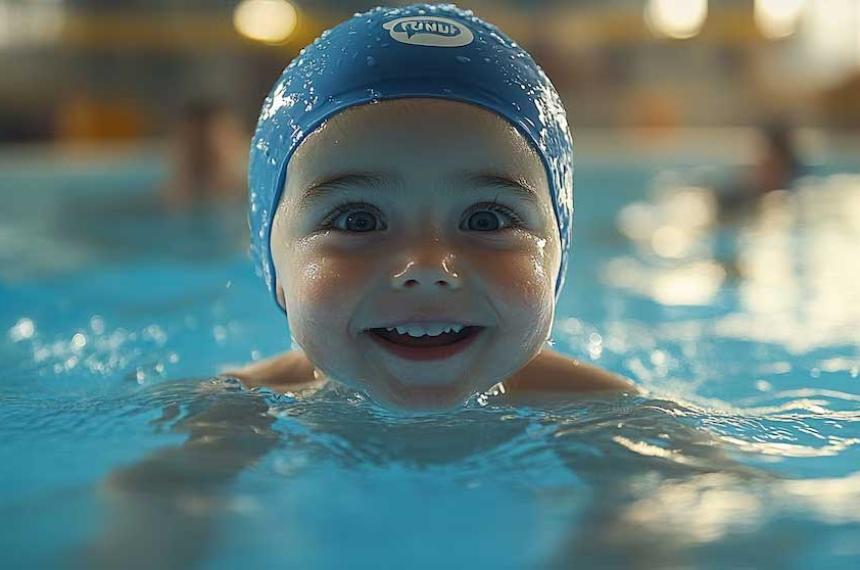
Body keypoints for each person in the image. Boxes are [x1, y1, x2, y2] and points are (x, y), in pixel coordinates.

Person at [228, 3, 636, 410]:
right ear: (274, 264)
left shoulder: (609, 416)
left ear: (558, 254)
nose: (426, 268)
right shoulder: (231, 420)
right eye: (358, 221)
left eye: (486, 219)